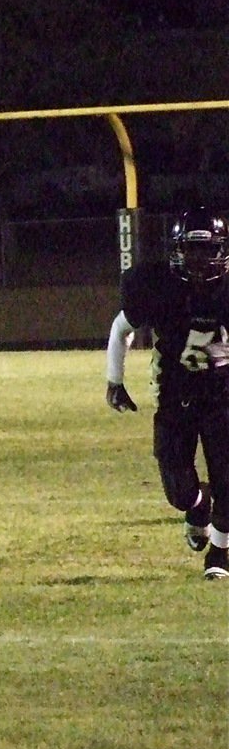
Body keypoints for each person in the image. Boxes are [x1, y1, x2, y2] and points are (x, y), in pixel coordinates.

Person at [105, 207, 229, 581]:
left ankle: (220, 554)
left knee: (227, 476)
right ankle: (197, 504)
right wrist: (115, 380)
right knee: (177, 487)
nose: (199, 259)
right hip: (177, 394)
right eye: (191, 250)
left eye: (208, 250)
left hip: (224, 391)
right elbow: (121, 327)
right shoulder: (159, 285)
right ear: (176, 251)